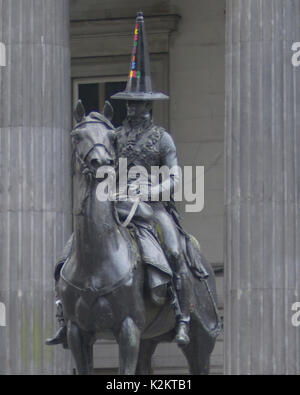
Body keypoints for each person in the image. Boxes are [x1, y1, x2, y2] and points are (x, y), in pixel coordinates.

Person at [46, 11, 191, 348]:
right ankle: (63, 314)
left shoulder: (162, 138)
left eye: (140, 104)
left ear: (150, 106)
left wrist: (153, 189)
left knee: (175, 248)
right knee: (70, 251)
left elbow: (175, 176)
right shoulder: (115, 136)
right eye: (130, 103)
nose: (135, 109)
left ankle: (182, 315)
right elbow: (100, 161)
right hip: (116, 204)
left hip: (153, 208)